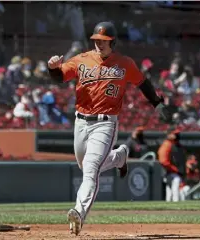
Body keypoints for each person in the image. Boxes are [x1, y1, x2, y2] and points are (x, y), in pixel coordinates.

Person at [47, 21, 172, 236]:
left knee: (91, 169)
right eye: (96, 40)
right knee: (85, 165)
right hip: (81, 121)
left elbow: (143, 82)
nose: (99, 44)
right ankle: (119, 157)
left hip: (106, 122)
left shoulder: (124, 63)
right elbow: (60, 77)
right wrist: (52, 68)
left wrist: (157, 103)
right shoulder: (82, 59)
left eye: (103, 41)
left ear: (112, 42)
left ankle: (79, 211)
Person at [157, 128, 186, 202]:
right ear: (169, 135)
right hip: (169, 172)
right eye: (174, 134)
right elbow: (163, 161)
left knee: (170, 192)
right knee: (174, 190)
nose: (176, 135)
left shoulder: (176, 145)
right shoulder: (167, 144)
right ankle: (174, 206)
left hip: (175, 172)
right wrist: (175, 169)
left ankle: (170, 208)